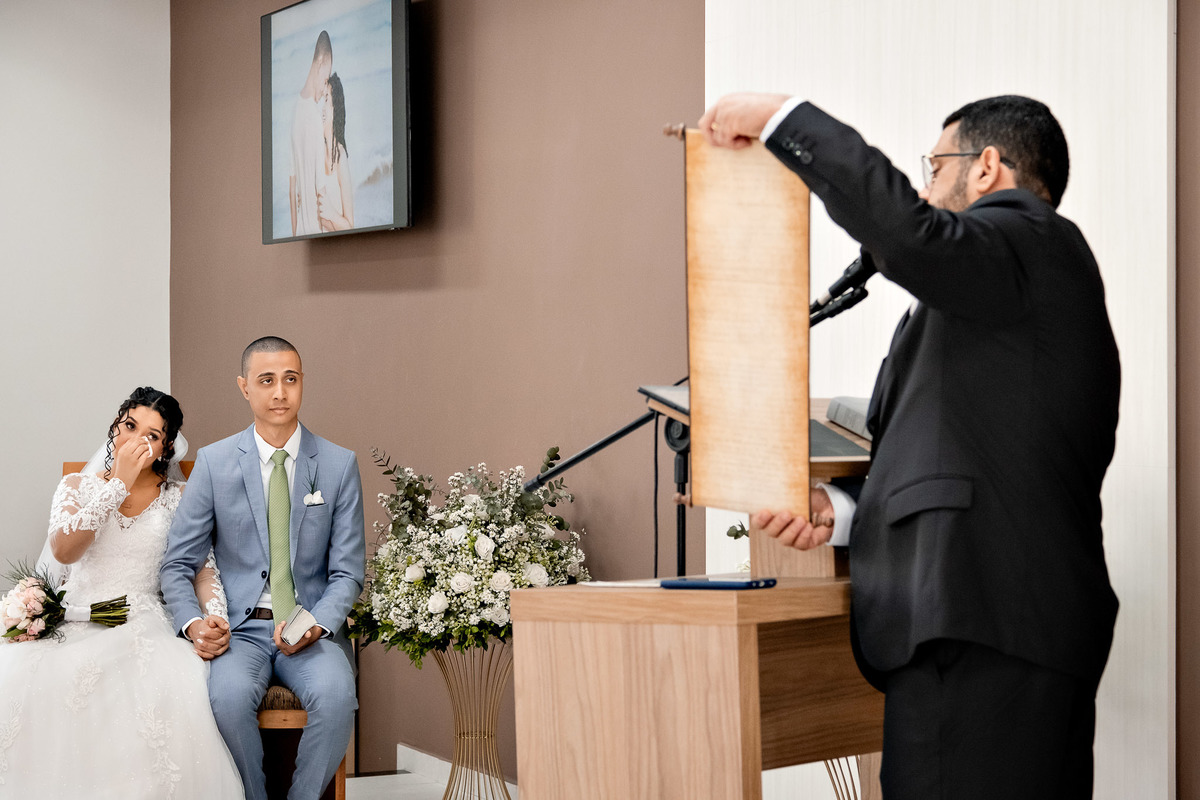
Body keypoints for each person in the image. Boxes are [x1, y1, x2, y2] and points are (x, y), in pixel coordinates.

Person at [699, 93, 1120, 799]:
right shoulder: (1003, 293)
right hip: (995, 626)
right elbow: (969, 455)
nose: (925, 187)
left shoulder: (1030, 241)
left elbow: (910, 233)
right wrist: (843, 508)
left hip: (982, 626)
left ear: (986, 168)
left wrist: (782, 118)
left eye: (933, 167)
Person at [0, 387, 244, 798]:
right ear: (116, 426)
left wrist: (212, 613)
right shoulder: (76, 485)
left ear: (165, 448)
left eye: (151, 435)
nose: (135, 440)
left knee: (162, 689)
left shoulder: (179, 498)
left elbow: (202, 570)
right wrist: (118, 484)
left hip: (142, 621)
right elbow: (63, 550)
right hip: (75, 616)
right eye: (130, 426)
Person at [161, 336, 365, 800]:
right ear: (244, 388)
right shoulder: (214, 463)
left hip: (309, 625)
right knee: (227, 701)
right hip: (240, 631)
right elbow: (178, 563)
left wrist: (316, 623)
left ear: (302, 384)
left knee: (337, 699)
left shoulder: (338, 464)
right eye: (266, 381)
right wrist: (194, 625)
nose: (280, 393)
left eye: (290, 380)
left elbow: (348, 571)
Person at [290, 31, 333, 237]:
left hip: (300, 233)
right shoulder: (314, 118)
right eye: (326, 79)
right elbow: (321, 194)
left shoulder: (294, 110)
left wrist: (295, 233)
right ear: (320, 61)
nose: (325, 90)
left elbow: (292, 191)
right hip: (318, 232)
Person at [318, 73, 355, 232]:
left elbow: (350, 226)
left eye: (326, 99)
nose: (322, 107)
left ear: (336, 108)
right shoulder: (318, 152)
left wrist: (331, 213)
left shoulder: (340, 157)